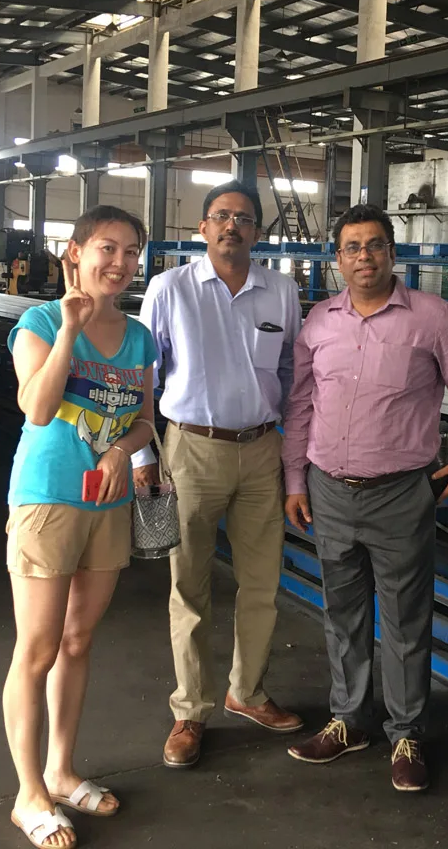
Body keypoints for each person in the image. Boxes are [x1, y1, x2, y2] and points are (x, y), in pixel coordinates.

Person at [281, 203, 448, 793]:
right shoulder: (320, 322)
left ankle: (406, 732)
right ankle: (350, 721)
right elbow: (300, 405)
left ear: (392, 253)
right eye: (352, 247)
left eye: (375, 245)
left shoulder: (430, 317)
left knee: (404, 618)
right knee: (342, 613)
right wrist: (295, 480)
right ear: (338, 259)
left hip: (401, 492)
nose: (364, 257)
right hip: (329, 490)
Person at [132, 180, 304, 769]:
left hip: (261, 450)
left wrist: (293, 452)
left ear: (257, 232)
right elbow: (142, 376)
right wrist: (142, 458)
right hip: (189, 451)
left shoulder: (281, 291)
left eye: (245, 218)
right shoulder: (170, 288)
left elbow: (292, 371)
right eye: (222, 216)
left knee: (261, 582)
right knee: (189, 586)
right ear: (203, 227)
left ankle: (246, 692)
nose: (233, 226)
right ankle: (190, 710)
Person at [2, 205, 158, 849]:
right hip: (48, 500)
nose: (119, 262)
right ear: (76, 251)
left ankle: (61, 771)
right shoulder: (39, 322)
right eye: (106, 248)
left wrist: (122, 453)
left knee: (77, 641)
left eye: (130, 251)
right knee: (37, 649)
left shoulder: (140, 337)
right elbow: (37, 409)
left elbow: (145, 421)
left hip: (107, 507)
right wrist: (70, 328)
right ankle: (28, 793)